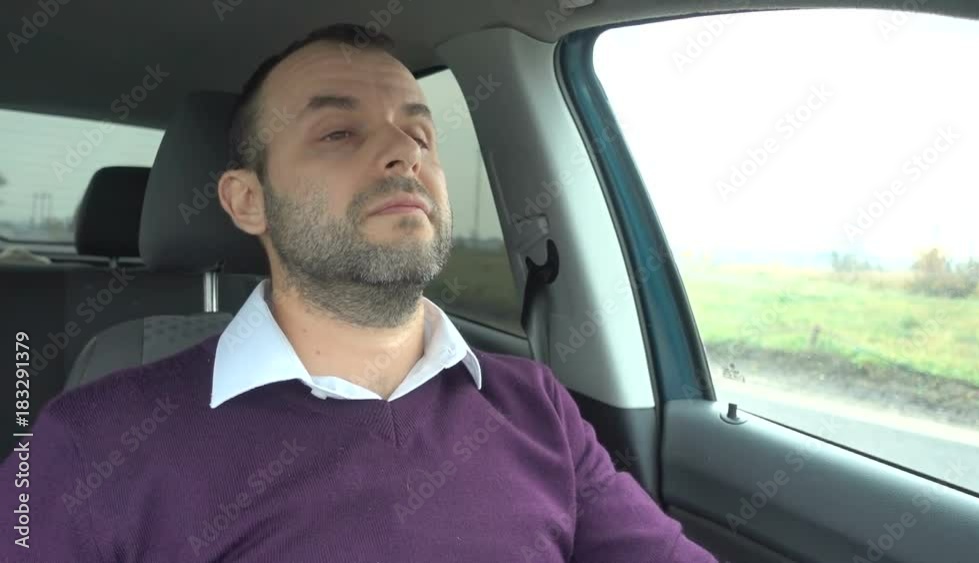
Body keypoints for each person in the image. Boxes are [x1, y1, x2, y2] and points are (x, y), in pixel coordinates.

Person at [0, 24, 717, 562]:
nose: (405, 152)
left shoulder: (537, 406)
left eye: (421, 135)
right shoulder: (91, 441)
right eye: (340, 132)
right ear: (248, 200)